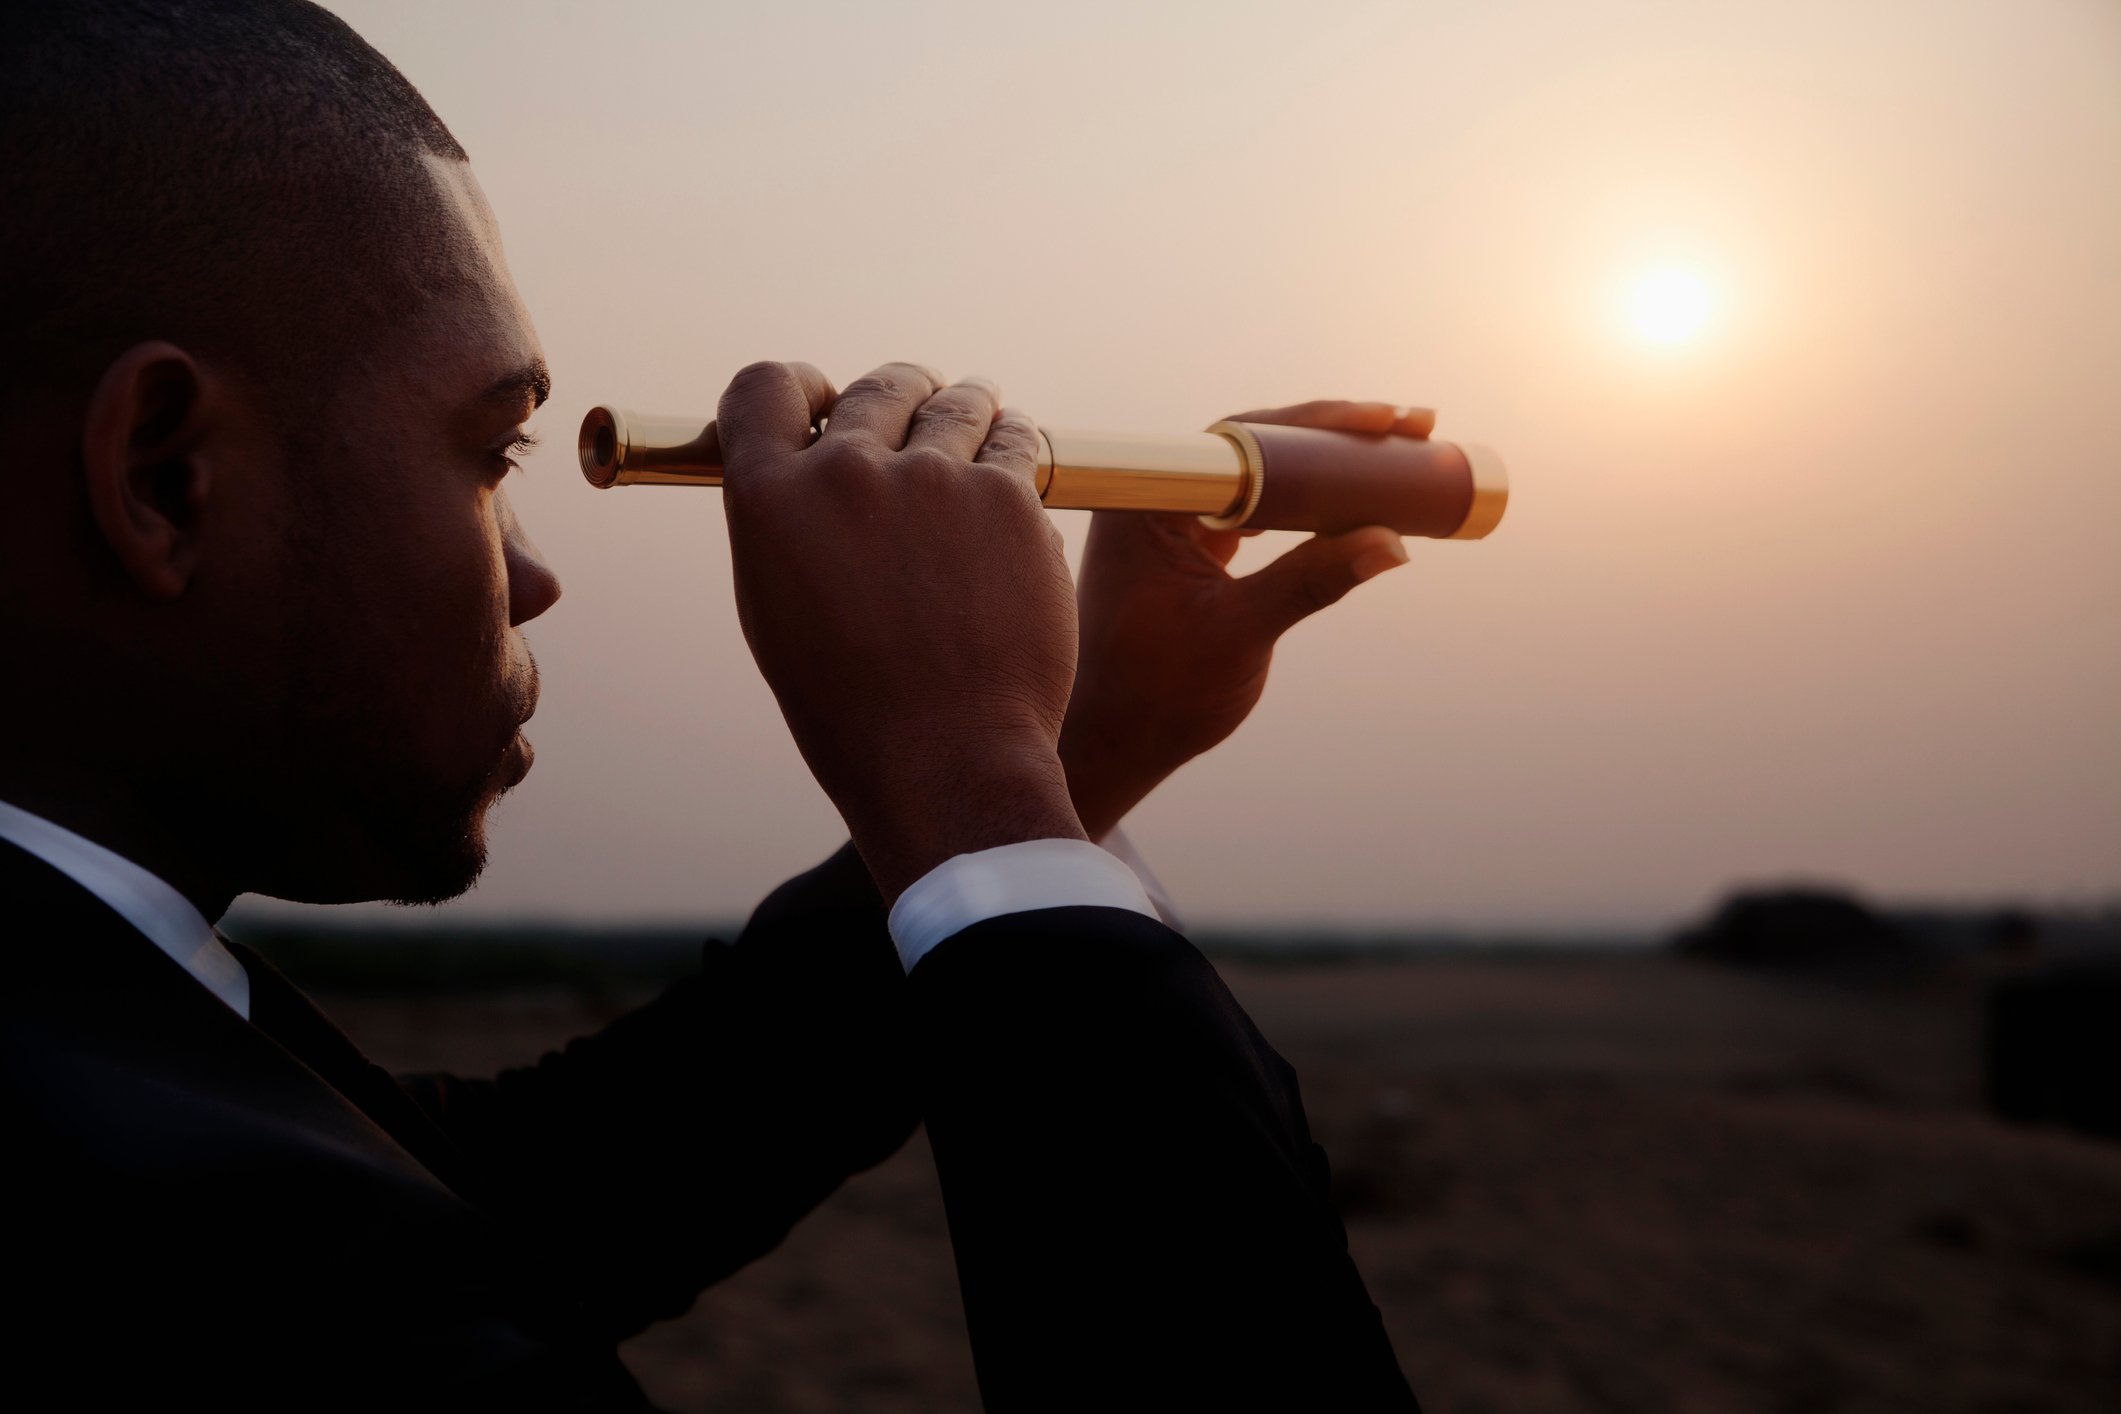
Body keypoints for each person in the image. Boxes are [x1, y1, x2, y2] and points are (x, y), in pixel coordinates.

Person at [0, 2, 1432, 1408]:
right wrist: (975, 782)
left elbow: (503, 1207)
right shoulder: (190, 1270)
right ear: (165, 476)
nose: (533, 577)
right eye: (496, 452)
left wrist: (1075, 743)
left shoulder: (114, 1069)